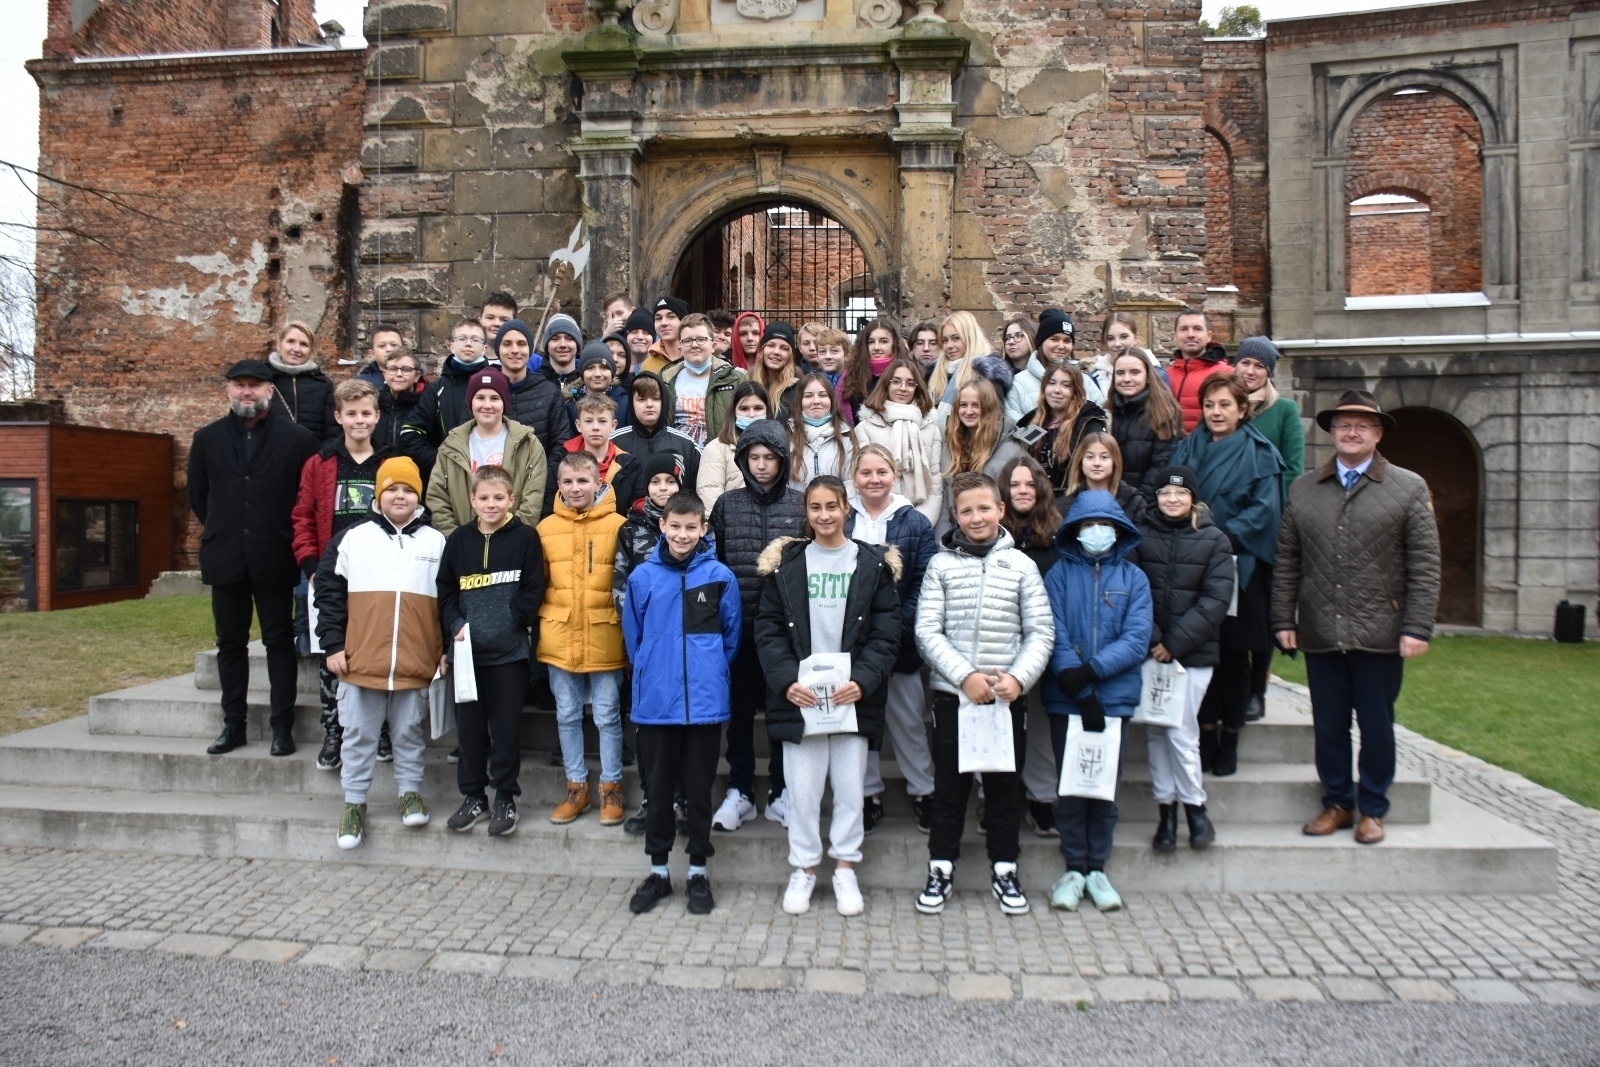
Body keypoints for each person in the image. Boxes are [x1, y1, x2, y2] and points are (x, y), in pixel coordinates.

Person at [1275, 391, 1440, 847]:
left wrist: (1417, 626)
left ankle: (1373, 808)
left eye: (1361, 426)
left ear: (1378, 433)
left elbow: (1425, 565)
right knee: (1328, 725)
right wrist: (1282, 619)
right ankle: (1336, 804)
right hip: (1321, 628)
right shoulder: (1304, 488)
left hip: (1381, 632)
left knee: (1376, 724)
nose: (1351, 432)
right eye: (1344, 425)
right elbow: (1288, 559)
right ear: (1331, 432)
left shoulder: (1409, 488)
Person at [757, 476, 902, 917]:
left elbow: (886, 633)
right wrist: (785, 682)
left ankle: (844, 867)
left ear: (846, 509)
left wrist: (864, 679)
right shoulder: (786, 566)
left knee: (849, 789)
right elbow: (767, 630)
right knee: (801, 792)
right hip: (801, 700)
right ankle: (802, 868)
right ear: (807, 513)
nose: (824, 515)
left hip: (851, 698)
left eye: (832, 506)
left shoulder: (872, 564)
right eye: (815, 507)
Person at [914, 472, 1054, 917]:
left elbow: (1040, 631)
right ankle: (940, 866)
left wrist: (1019, 679)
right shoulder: (941, 565)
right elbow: (927, 631)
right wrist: (963, 677)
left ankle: (1005, 867)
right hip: (953, 697)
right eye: (967, 510)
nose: (976, 517)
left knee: (1002, 788)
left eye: (984, 508)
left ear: (1000, 510)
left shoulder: (1022, 566)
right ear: (955, 516)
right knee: (949, 787)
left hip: (1005, 697)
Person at [313, 456, 445, 849]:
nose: (400, 496)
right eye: (392, 489)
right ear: (379, 495)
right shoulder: (353, 538)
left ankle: (409, 792)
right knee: (358, 733)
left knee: (408, 733)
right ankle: (354, 803)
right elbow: (328, 594)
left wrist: (440, 651)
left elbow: (447, 601)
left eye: (408, 490)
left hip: (414, 659)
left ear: (418, 498)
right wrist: (333, 644)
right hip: (360, 659)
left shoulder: (435, 541)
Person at [188, 360, 318, 756]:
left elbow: (304, 497)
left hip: (274, 553)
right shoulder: (207, 438)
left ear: (269, 391)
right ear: (228, 390)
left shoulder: (297, 439)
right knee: (230, 644)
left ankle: (283, 726)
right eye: (240, 385)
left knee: (279, 642)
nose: (248, 392)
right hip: (226, 554)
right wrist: (225, 527)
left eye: (255, 386)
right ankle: (234, 725)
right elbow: (198, 495)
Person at [623, 491, 743, 915]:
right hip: (657, 703)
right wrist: (654, 672)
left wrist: (708, 672)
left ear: (704, 529)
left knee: (698, 790)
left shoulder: (719, 577)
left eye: (692, 527)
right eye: (675, 526)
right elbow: (634, 640)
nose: (683, 534)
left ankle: (697, 872)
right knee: (657, 791)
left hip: (704, 706)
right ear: (662, 526)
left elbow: (730, 638)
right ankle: (658, 872)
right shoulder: (642, 578)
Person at [1040, 490, 1152, 913]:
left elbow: (1136, 638)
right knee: (1071, 787)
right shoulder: (1057, 576)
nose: (1096, 532)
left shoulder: (1134, 579)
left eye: (1103, 525)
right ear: (1075, 531)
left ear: (1118, 531)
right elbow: (1052, 629)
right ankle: (1072, 867)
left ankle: (1097, 868)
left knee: (1103, 788)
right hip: (1068, 699)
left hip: (1114, 701)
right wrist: (1078, 687)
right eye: (1087, 525)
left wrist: (1093, 672)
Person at [1171, 374, 1285, 777]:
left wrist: (1221, 536)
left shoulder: (1260, 453)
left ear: (1242, 409)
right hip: (1194, 564)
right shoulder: (1187, 448)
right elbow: (1173, 496)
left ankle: (1231, 736)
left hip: (1240, 563)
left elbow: (1265, 511)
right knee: (1202, 652)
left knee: (1234, 654)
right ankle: (1204, 733)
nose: (1216, 412)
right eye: (1209, 405)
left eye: (1224, 405)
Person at [707, 419, 806, 830]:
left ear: (783, 460)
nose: (762, 465)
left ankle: (783, 791)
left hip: (785, 634)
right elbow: (712, 565)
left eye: (770, 458)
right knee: (742, 713)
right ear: (744, 460)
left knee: (784, 711)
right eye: (754, 457)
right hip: (740, 629)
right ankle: (741, 790)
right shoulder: (727, 505)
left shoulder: (800, 505)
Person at [292, 378, 394, 771]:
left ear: (377, 416)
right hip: (333, 574)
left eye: (366, 413)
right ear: (338, 417)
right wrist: (310, 564)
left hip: (378, 575)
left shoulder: (388, 463)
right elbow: (302, 517)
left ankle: (380, 728)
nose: (359, 420)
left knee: (378, 649)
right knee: (332, 654)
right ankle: (334, 730)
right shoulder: (319, 465)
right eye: (351, 413)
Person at [438, 464, 544, 837]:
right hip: (468, 656)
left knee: (506, 730)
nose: (491, 504)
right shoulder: (459, 541)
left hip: (509, 656)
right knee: (469, 733)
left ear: (511, 499)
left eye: (499, 497)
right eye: (483, 497)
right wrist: (455, 627)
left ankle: (504, 799)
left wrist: (511, 621)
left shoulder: (525, 538)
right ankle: (473, 796)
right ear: (472, 500)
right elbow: (447, 592)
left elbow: (533, 590)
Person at [1131, 465, 1232, 852]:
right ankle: (1166, 811)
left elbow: (1215, 600)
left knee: (1181, 730)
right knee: (1157, 731)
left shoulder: (1214, 540)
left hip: (1192, 656)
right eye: (1165, 494)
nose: (1172, 500)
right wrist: (1155, 639)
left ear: (1193, 497)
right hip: (1151, 652)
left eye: (1180, 493)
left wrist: (1174, 642)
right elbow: (1136, 590)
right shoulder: (1141, 536)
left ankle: (1195, 806)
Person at [846, 446, 939, 833]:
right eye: (865, 473)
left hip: (899, 639)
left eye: (881, 472)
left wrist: (899, 625)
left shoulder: (914, 522)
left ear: (895, 476)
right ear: (855, 478)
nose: (874, 479)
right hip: (853, 642)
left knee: (907, 720)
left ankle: (923, 790)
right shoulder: (844, 518)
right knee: (861, 721)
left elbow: (925, 580)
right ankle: (868, 794)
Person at [539, 450, 629, 828]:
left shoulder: (620, 525)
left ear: (598, 482)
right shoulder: (544, 529)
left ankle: (611, 786)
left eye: (583, 481)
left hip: (604, 632)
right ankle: (576, 785)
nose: (576, 488)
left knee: (608, 714)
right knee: (567, 714)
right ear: (558, 485)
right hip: (559, 633)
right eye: (568, 482)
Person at [1232, 335, 1305, 722]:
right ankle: (1236, 684)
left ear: (1268, 373)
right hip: (1233, 522)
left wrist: (1273, 510)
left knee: (1260, 611)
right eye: (1245, 363)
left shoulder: (1283, 412)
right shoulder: (1227, 407)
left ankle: (1258, 688)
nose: (1250, 371)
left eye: (1259, 366)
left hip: (1268, 524)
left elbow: (1293, 468)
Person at [997, 456, 1065, 838]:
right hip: (998, 648)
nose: (1022, 491)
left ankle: (1042, 798)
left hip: (1040, 647)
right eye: (1015, 484)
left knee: (1038, 729)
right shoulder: (991, 535)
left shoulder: (1057, 536)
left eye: (1029, 484)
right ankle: (993, 798)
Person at [424, 367, 547, 537]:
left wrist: (511, 536)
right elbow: (437, 498)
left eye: (495, 398)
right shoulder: (451, 445)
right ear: (471, 402)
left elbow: (533, 499)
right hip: (464, 545)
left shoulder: (528, 443)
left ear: (504, 402)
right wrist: (458, 538)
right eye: (480, 398)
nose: (487, 405)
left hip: (511, 543)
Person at [852, 357, 943, 527]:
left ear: (917, 388)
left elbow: (935, 481)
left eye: (910, 383)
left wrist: (921, 523)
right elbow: (861, 480)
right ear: (886, 384)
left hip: (920, 520)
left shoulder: (931, 429)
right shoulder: (865, 428)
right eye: (896, 381)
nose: (903, 388)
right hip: (876, 521)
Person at [400, 317, 492, 477]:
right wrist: (439, 464)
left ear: (484, 348)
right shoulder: (438, 389)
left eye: (475, 339)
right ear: (451, 346)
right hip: (449, 482)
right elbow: (410, 433)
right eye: (462, 338)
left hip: (490, 477)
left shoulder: (497, 385)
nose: (468, 343)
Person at [939, 376, 1026, 535]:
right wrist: (943, 541)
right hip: (956, 534)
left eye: (976, 405)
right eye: (963, 405)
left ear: (988, 408)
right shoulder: (948, 444)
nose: (969, 411)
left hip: (998, 535)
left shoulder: (1012, 448)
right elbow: (944, 501)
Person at [609, 371, 702, 511]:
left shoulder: (686, 445)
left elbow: (699, 492)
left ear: (664, 402)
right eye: (641, 399)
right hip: (628, 528)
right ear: (631, 403)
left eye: (656, 398)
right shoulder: (614, 442)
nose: (649, 405)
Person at [1017, 360, 1107, 494]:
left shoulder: (1087, 423)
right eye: (1051, 383)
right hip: (1037, 501)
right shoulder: (1034, 421)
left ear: (1075, 391)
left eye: (1066, 385)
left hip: (1071, 500)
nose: (1057, 390)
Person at [660, 312, 746, 449]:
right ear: (680, 348)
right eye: (687, 340)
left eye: (701, 339)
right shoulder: (665, 380)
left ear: (713, 345)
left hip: (721, 458)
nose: (694, 345)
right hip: (679, 457)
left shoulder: (736, 379)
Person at [495, 319, 574, 458]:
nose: (515, 350)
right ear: (498, 349)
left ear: (530, 350)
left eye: (521, 344)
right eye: (507, 344)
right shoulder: (484, 391)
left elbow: (560, 445)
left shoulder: (549, 392)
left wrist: (543, 479)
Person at [1109, 350, 1183, 492]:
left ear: (1148, 376)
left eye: (1135, 372)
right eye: (1120, 373)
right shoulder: (1108, 413)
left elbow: (1161, 464)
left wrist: (1139, 502)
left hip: (1145, 501)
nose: (1126, 379)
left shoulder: (1164, 413)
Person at [696, 381, 768, 513]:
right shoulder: (716, 449)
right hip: (731, 526)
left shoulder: (779, 446)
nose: (751, 414)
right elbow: (710, 497)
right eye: (744, 409)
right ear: (734, 411)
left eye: (758, 408)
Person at [553, 396, 632, 508]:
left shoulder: (629, 464)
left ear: (613, 425)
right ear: (578, 425)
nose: (595, 427)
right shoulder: (560, 459)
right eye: (589, 421)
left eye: (602, 421)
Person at [267, 321, 337, 442]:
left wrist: (321, 457)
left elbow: (332, 430)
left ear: (311, 351)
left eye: (304, 344)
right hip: (272, 458)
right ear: (279, 345)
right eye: (290, 341)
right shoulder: (263, 379)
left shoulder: (323, 384)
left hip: (312, 458)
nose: (296, 349)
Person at [787, 372, 857, 490]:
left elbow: (851, 484)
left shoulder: (846, 437)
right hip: (796, 507)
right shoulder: (787, 436)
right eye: (808, 396)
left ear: (831, 400)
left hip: (835, 507)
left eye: (823, 395)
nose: (816, 401)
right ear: (800, 401)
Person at [1167, 308, 1232, 433]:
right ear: (1175, 336)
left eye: (1197, 329)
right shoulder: (1164, 376)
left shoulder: (1226, 374)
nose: (1190, 334)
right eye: (1184, 329)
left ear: (1209, 336)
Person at [928, 310, 993, 418]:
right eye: (945, 340)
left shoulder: (987, 375)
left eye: (956, 338)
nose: (949, 345)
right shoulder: (936, 374)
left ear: (969, 338)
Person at [1063, 432, 1140, 519]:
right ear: (1080, 462)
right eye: (1090, 457)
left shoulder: (1134, 502)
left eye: (1104, 457)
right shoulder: (1064, 503)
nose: (1097, 463)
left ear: (1114, 462)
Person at [845, 317, 903, 419]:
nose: (876, 347)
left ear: (894, 344)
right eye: (871, 342)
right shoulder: (853, 375)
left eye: (883, 341)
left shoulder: (905, 373)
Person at [372, 350, 427, 456]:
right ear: (384, 374)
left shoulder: (425, 406)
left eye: (406, 370)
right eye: (392, 369)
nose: (399, 374)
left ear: (417, 376)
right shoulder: (374, 404)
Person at [569, 342, 631, 430]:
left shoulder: (626, 404)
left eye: (604, 368)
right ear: (582, 374)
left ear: (612, 373)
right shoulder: (571, 406)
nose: (597, 374)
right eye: (590, 368)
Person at [748, 321, 802, 419]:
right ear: (762, 350)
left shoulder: (799, 388)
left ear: (790, 356)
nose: (776, 352)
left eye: (784, 348)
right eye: (771, 345)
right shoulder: (746, 381)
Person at [999, 314, 1041, 418]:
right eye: (1007, 338)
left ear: (1032, 337)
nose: (1011, 342)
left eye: (1019, 336)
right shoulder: (997, 379)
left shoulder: (1046, 373)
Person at [809, 327, 854, 423]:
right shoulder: (812, 383)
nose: (827, 356)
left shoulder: (855, 383)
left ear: (847, 355)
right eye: (822, 351)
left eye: (834, 351)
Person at [537, 314, 585, 397]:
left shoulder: (588, 381)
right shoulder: (535, 382)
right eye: (555, 339)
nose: (562, 344)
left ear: (577, 345)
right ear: (547, 346)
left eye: (569, 339)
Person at [642, 296, 688, 375]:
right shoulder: (647, 365)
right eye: (658, 318)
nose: (664, 323)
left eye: (671, 317)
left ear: (683, 321)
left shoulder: (697, 358)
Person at [355, 323, 406, 388]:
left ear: (404, 349)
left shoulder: (416, 379)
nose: (389, 349)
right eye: (382, 346)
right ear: (372, 354)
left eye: (394, 345)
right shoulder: (360, 384)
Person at [623, 307, 657, 377]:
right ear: (626, 336)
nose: (640, 337)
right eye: (634, 332)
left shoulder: (661, 369)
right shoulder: (616, 368)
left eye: (646, 333)